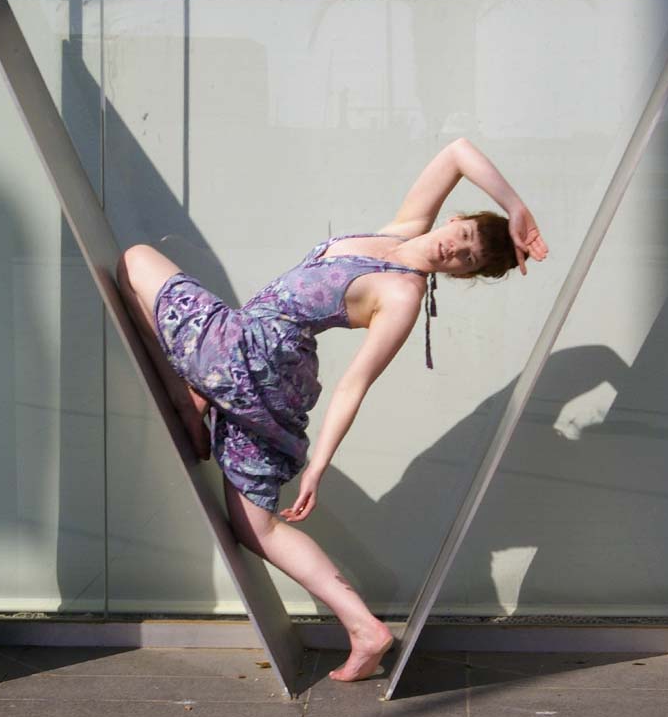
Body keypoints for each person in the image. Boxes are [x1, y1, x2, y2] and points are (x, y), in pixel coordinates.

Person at [116, 136, 548, 682]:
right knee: (253, 528)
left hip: (252, 354)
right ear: (455, 218)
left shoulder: (403, 297)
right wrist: (515, 207)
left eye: (467, 259)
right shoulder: (403, 230)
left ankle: (191, 395)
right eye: (462, 237)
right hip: (268, 372)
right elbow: (458, 152)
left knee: (136, 260)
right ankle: (365, 628)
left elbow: (354, 385)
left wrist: (318, 466)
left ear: (461, 276)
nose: (454, 251)